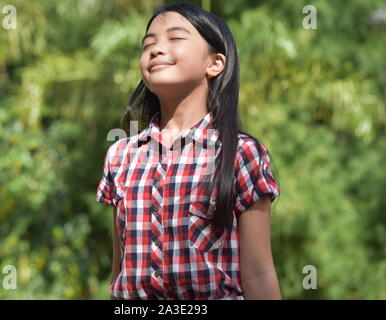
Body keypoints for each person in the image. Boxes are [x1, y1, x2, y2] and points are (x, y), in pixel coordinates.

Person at [96, 2, 281, 300]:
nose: (156, 49)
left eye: (175, 38)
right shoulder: (120, 156)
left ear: (215, 63)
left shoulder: (240, 154)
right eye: (148, 45)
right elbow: (119, 273)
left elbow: (259, 273)